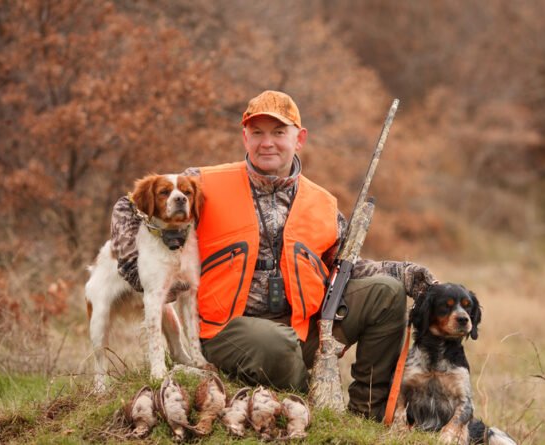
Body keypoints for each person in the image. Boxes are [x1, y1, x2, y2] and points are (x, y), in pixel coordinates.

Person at [109, 90, 437, 420]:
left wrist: (404, 273)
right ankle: (306, 403)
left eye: (279, 133)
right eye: (257, 133)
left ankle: (364, 417)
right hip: (225, 329)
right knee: (278, 345)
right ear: (245, 138)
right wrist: (136, 270)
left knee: (386, 293)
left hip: (302, 328)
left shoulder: (322, 202)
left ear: (299, 139)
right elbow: (128, 206)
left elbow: (345, 265)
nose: (267, 143)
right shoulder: (204, 181)